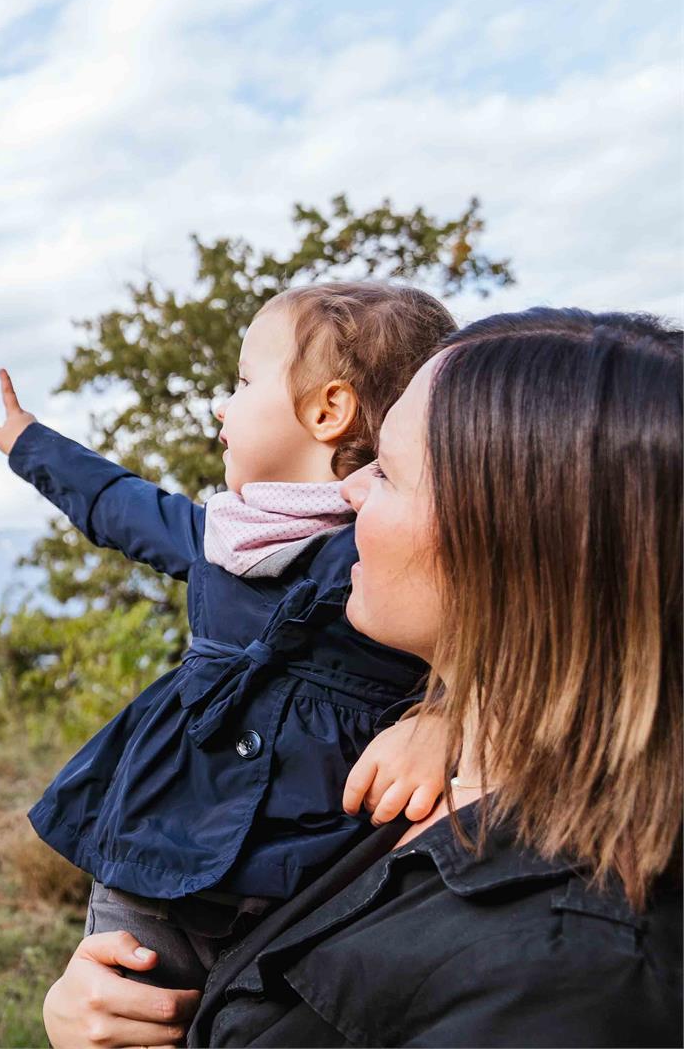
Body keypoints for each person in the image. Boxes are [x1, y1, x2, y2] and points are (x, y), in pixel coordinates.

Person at [41, 307, 683, 1047]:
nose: (348, 494)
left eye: (392, 473)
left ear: (515, 548)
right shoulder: (422, 795)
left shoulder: (566, 988)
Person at [0, 282, 458, 989]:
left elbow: (503, 642)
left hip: (319, 870)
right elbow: (120, 505)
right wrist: (31, 445)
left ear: (327, 410)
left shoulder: (400, 559)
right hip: (162, 839)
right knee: (129, 1004)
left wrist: (446, 719)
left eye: (241, 382)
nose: (220, 405)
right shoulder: (221, 536)